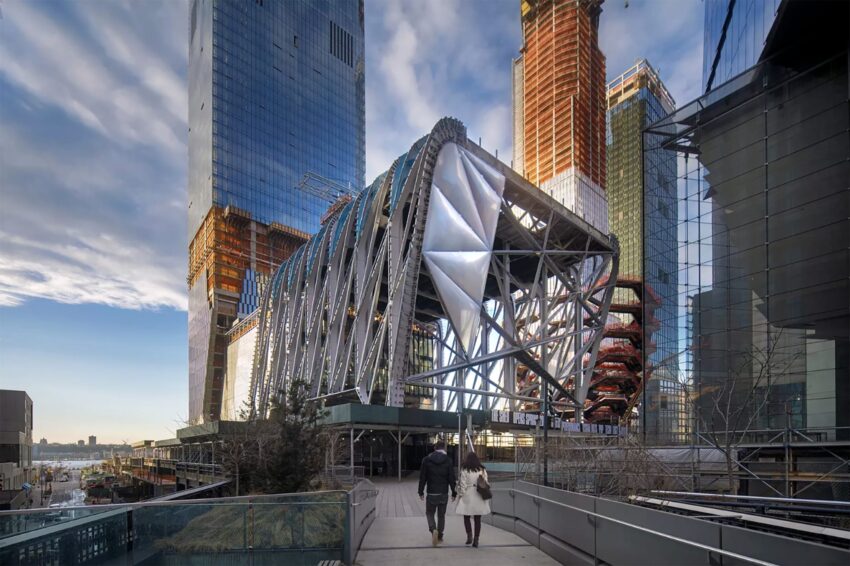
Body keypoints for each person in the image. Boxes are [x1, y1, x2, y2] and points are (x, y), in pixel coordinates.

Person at [418, 440, 456, 547]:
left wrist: (420, 491)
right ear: (444, 448)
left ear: (435, 448)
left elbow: (423, 477)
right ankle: (440, 536)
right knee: (441, 516)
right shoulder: (448, 460)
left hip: (431, 493)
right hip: (443, 493)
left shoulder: (426, 460)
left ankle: (433, 529)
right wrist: (454, 492)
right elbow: (451, 478)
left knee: (429, 513)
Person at [455, 451, 490, 547]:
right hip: (479, 494)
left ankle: (469, 536)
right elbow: (486, 482)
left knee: (466, 517)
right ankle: (476, 539)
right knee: (477, 518)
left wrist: (460, 495)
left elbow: (462, 484)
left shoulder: (465, 469)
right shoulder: (482, 469)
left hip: (468, 494)